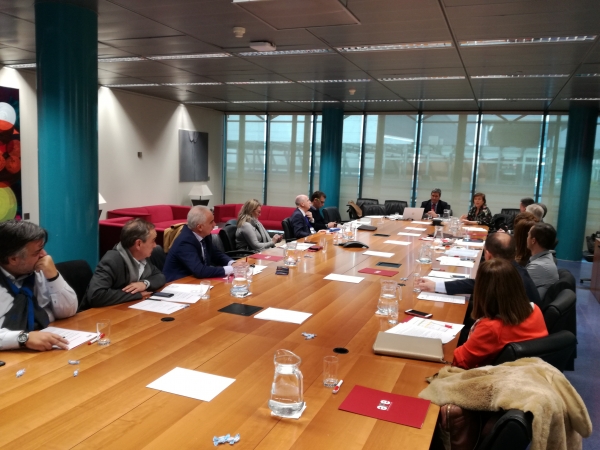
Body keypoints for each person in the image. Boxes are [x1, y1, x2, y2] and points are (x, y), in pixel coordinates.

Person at [452, 259, 548, 369]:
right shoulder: (535, 310)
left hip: (490, 375)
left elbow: (458, 361)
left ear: (481, 290)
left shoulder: (490, 328)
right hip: (529, 372)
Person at [0, 220, 77, 351]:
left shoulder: (39, 269)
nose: (44, 255)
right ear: (13, 259)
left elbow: (68, 311)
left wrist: (53, 276)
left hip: (41, 347)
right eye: (37, 252)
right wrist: (24, 338)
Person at [417, 232, 541, 306]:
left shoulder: (502, 275)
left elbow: (475, 285)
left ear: (488, 255)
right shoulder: (516, 269)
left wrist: (435, 286)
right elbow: (475, 284)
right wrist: (436, 286)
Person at [82, 218, 166, 309]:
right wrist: (136, 294)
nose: (155, 245)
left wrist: (144, 284)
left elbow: (159, 276)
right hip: (99, 313)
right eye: (153, 241)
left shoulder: (143, 257)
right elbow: (96, 295)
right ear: (138, 244)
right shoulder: (112, 261)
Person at [163, 206, 234, 282]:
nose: (214, 224)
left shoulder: (205, 235)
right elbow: (199, 271)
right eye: (211, 222)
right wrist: (231, 269)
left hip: (194, 280)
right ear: (200, 227)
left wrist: (232, 263)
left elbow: (216, 254)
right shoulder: (185, 242)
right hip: (177, 283)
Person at [526, 223, 559, 300]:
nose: (527, 238)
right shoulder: (548, 256)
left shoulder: (537, 267)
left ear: (533, 241)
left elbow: (514, 288)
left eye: (528, 235)